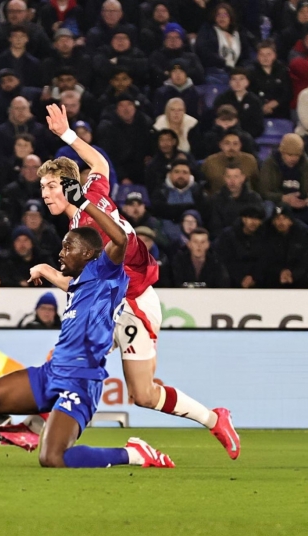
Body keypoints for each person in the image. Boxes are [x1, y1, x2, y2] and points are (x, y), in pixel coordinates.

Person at [16, 103, 240, 459]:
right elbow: (101, 166)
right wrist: (67, 136)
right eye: (42, 187)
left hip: (134, 303)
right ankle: (33, 427)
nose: (45, 194)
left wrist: (46, 271)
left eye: (51, 186)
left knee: (143, 395)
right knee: (67, 357)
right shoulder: (93, 197)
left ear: (69, 185)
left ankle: (215, 419)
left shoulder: (87, 227)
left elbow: (82, 286)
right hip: (114, 303)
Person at [0, 170, 175, 469]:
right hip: (51, 374)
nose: (61, 253)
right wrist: (45, 270)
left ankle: (135, 454)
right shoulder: (79, 283)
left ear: (90, 253)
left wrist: (84, 203)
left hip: (81, 382)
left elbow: (119, 238)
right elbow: (63, 276)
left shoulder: (107, 272)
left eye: (68, 248)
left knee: (52, 458)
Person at [258, 133, 308, 222]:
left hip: (301, 203)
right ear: (282, 152)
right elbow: (264, 192)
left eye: (297, 155)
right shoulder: (270, 163)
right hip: (277, 202)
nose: (293, 158)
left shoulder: (305, 164)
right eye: (290, 155)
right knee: (268, 207)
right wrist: (283, 198)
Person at [214, 205, 265, 288]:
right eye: (250, 218)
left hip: (256, 280)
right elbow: (225, 261)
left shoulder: (264, 236)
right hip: (233, 279)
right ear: (243, 219)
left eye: (257, 219)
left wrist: (253, 277)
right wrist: (241, 278)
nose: (253, 222)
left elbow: (264, 261)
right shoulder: (228, 235)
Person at [208, 164, 265, 236]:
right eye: (229, 177)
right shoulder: (216, 198)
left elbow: (259, 223)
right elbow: (215, 226)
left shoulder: (254, 198)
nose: (232, 181)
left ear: (243, 178)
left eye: (236, 177)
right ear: (224, 178)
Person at [261, 204, 308, 287]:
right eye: (277, 219)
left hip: (298, 274)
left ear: (291, 221)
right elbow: (265, 258)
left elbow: (305, 259)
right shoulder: (266, 232)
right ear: (273, 221)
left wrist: (293, 274)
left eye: (284, 218)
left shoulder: (303, 232)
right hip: (275, 274)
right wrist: (280, 272)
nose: (281, 222)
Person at [212, 68, 264, 138]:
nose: (237, 82)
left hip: (246, 138)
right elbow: (216, 120)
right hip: (223, 137)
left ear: (247, 82)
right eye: (234, 79)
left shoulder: (255, 101)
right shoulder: (222, 99)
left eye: (241, 79)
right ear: (230, 82)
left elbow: (258, 125)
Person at [248, 40, 292, 120]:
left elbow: (287, 92)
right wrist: (262, 106)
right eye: (262, 54)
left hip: (281, 112)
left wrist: (275, 103)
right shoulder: (250, 72)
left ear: (275, 55)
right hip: (257, 112)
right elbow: (249, 92)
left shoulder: (282, 70)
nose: (265, 58)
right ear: (257, 56)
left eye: (268, 54)